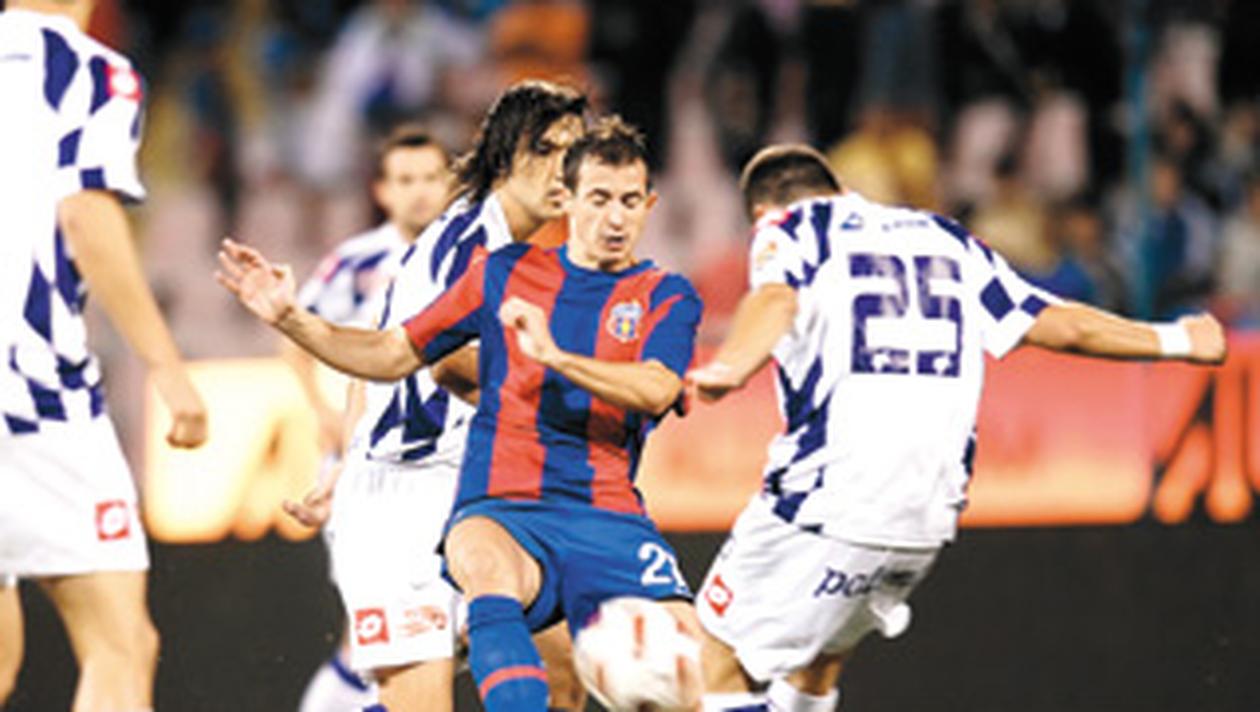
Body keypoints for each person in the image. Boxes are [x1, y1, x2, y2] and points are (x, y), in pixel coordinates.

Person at [686, 144, 1227, 712]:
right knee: (816, 663)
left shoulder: (790, 228)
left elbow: (776, 298)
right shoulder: (944, 237)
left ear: (762, 213)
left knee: (713, 657)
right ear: (843, 189)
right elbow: (1059, 323)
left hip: (832, 500)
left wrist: (732, 363)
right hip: (925, 520)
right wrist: (1178, 339)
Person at [217, 116, 705, 712]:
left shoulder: (667, 294)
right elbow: (394, 353)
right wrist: (293, 320)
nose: (616, 218)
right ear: (570, 198)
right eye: (600, 198)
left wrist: (553, 357)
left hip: (606, 511)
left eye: (630, 201)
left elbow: (657, 388)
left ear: (650, 205)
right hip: (501, 506)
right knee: (479, 561)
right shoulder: (502, 272)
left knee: (680, 670)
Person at [284, 81, 594, 712]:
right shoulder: (471, 244)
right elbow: (448, 363)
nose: (564, 167)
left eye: (574, 151)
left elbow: (382, 351)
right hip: (404, 499)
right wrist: (566, 389)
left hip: (476, 486)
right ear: (505, 155)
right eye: (546, 149)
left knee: (562, 674)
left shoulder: (502, 242)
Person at [0, 1, 209, 710]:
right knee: (120, 645)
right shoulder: (87, 68)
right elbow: (85, 213)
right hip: (30, 386)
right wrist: (167, 367)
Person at [288, 125, 452, 711]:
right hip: (368, 458)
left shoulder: (466, 257)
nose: (420, 191)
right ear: (382, 191)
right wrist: (323, 412)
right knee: (377, 632)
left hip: (443, 463)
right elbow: (294, 334)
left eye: (430, 177)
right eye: (405, 180)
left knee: (430, 629)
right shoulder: (356, 263)